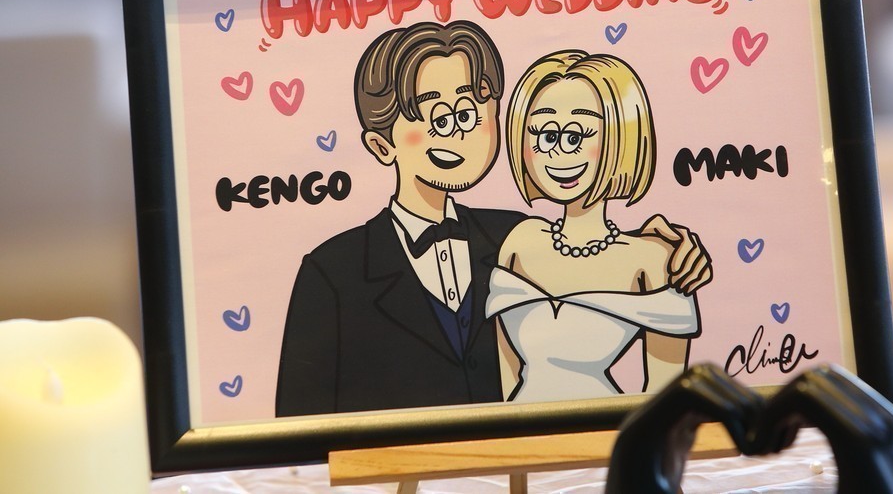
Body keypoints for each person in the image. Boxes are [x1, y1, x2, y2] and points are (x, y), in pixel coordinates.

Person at [276, 21, 711, 417]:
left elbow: (589, 258)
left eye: (469, 112)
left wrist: (675, 252)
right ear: (380, 145)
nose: (458, 132)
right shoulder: (331, 271)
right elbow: (299, 426)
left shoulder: (512, 234)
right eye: (438, 118)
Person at [487, 50, 703, 404]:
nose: (559, 153)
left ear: (620, 140)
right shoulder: (519, 242)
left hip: (608, 430)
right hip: (521, 428)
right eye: (545, 136)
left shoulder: (654, 260)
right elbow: (507, 378)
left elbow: (665, 398)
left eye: (576, 137)